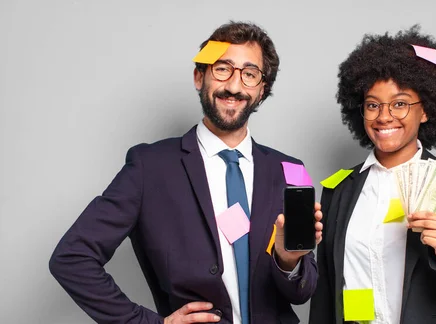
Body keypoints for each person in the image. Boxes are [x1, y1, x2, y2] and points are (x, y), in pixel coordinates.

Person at [49, 21, 322, 324]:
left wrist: (288, 261)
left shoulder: (291, 171)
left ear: (261, 91)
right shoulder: (149, 167)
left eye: (249, 74)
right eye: (222, 69)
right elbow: (71, 258)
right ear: (199, 77)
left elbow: (302, 292)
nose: (234, 86)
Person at [309, 25, 436, 324]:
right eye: (373, 105)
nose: (384, 116)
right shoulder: (339, 188)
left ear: (425, 111)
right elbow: (325, 292)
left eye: (400, 104)